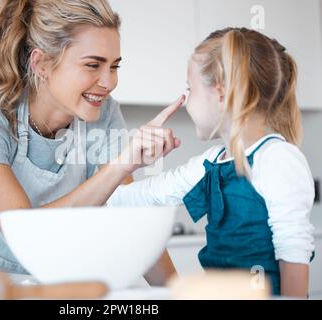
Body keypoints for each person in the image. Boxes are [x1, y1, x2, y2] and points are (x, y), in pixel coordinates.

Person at [0, 0, 183, 285]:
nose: (108, 82)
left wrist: (178, 292)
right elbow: (22, 228)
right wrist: (121, 165)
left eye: (114, 66)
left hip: (50, 279)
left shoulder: (103, 114)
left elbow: (128, 217)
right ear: (41, 63)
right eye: (93, 65)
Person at [107, 27, 315, 297]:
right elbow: (130, 199)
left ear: (221, 94)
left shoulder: (277, 158)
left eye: (189, 89)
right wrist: (130, 160)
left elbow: (294, 249)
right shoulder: (210, 163)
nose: (186, 101)